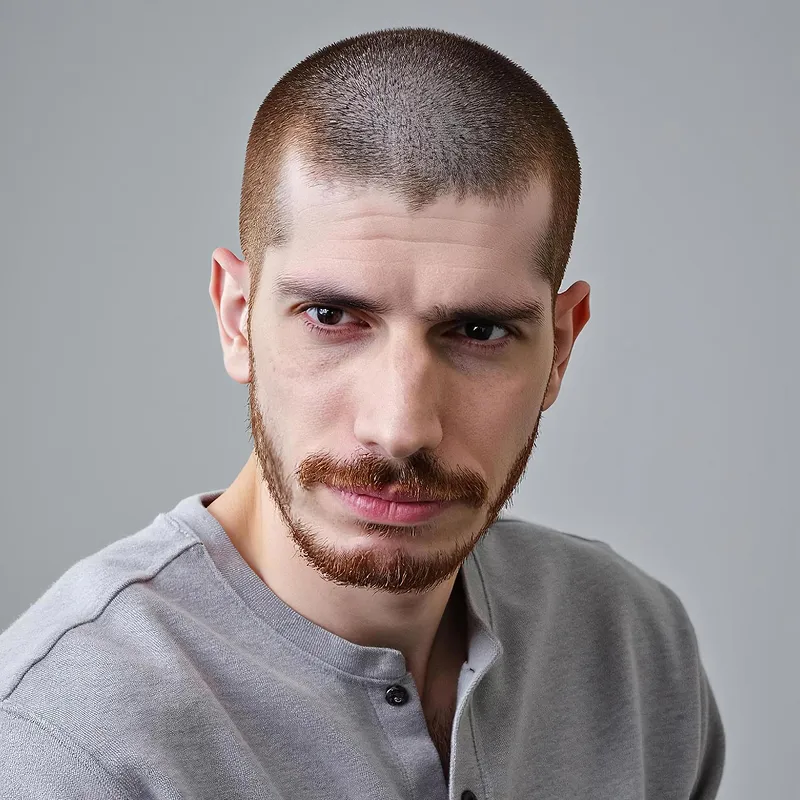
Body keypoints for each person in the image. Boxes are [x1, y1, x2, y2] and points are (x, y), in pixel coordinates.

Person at [0, 27, 725, 800]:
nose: (401, 426)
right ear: (236, 317)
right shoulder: (67, 745)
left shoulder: (631, 645)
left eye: (478, 331)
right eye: (331, 317)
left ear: (562, 345)